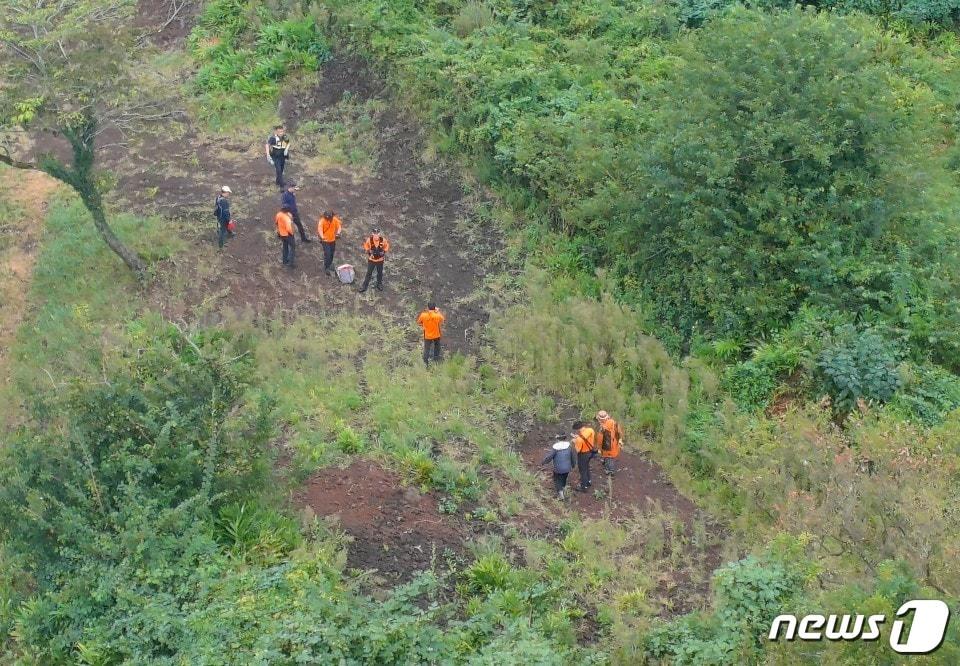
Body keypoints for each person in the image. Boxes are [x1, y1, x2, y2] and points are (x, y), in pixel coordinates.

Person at [540, 435, 575, 500]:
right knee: (564, 477)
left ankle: (561, 494)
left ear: (557, 439)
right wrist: (573, 465)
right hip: (567, 468)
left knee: (557, 479)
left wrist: (543, 462)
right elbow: (572, 457)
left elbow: (549, 457)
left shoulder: (556, 448)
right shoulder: (569, 447)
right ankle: (563, 487)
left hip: (558, 468)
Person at [359, 228, 389, 293]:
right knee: (368, 273)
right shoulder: (369, 240)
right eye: (374, 233)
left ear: (379, 233)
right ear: (372, 233)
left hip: (380, 260)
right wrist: (368, 250)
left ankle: (379, 284)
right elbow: (366, 246)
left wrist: (384, 251)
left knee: (380, 273)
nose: (376, 234)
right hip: (371, 260)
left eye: (377, 233)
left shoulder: (383, 240)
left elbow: (386, 246)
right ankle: (364, 286)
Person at [572, 420, 597, 492]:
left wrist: (575, 441)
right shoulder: (590, 430)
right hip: (590, 452)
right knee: (587, 467)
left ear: (578, 429)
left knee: (582, 470)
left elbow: (577, 450)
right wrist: (578, 437)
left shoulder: (579, 440)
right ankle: (588, 481)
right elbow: (584, 437)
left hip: (583, 455)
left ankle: (583, 487)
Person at [596, 410, 624, 475]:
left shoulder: (604, 427)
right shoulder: (614, 423)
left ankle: (610, 471)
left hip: (607, 447)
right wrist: (620, 440)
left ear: (601, 419)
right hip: (611, 445)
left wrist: (599, 448)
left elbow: (601, 438)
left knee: (609, 459)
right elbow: (619, 432)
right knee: (608, 457)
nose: (598, 420)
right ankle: (605, 462)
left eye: (599, 419)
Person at [317, 210, 343, 275]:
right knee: (327, 254)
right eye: (327, 218)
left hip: (332, 240)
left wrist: (338, 233)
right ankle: (326, 267)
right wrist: (322, 237)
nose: (328, 219)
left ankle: (330, 264)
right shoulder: (322, 221)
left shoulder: (334, 219)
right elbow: (320, 230)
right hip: (325, 241)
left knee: (332, 253)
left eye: (329, 218)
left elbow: (339, 226)